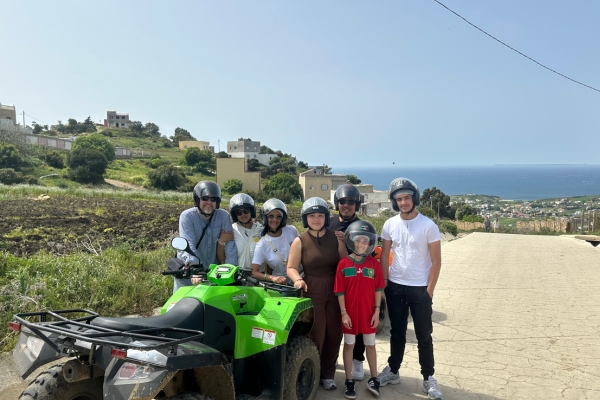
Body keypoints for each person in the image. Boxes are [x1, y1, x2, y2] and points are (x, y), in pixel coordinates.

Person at [377, 178, 443, 400]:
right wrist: (385, 281)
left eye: (407, 198)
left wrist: (429, 291)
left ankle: (428, 377)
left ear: (414, 198)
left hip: (420, 288)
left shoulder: (428, 226)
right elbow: (385, 255)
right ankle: (393, 370)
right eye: (399, 199)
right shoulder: (389, 224)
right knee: (397, 333)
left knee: (424, 335)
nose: (403, 202)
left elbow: (436, 262)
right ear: (394, 202)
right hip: (396, 286)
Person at [287, 197, 347, 391]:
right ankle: (312, 371)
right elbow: (291, 267)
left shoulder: (336, 238)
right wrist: (298, 279)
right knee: (317, 333)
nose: (316, 219)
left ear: (326, 217)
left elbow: (345, 263)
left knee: (335, 333)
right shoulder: (300, 241)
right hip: (312, 288)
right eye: (312, 215)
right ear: (305, 218)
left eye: (320, 215)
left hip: (336, 288)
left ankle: (328, 374)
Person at [334, 220, 385, 399]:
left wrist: (377, 311)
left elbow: (378, 289)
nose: (362, 244)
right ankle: (349, 380)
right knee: (349, 345)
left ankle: (374, 378)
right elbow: (340, 291)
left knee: (370, 345)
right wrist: (343, 313)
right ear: (351, 241)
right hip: (349, 314)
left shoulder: (373, 264)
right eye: (358, 240)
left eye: (365, 241)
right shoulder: (343, 264)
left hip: (369, 314)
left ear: (370, 243)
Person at [329, 184, 368, 381]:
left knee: (356, 321)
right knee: (334, 321)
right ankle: (333, 356)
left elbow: (368, 252)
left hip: (355, 279)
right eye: (342, 201)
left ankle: (357, 359)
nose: (346, 205)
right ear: (337, 203)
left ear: (356, 205)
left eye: (351, 202)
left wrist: (347, 242)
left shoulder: (362, 226)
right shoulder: (328, 222)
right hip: (332, 277)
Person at [175, 181, 238, 292]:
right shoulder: (187, 216)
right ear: (197, 200)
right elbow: (188, 243)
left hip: (214, 276)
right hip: (190, 276)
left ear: (217, 201)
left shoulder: (223, 216)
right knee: (184, 302)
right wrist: (195, 269)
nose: (209, 202)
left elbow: (230, 245)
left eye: (213, 199)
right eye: (205, 198)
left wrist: (231, 270)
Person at [250, 199, 299, 284]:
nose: (275, 219)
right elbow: (254, 272)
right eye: (271, 216)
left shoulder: (291, 231)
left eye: (278, 217)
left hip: (299, 277)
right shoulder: (262, 244)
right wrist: (272, 278)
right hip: (282, 283)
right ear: (265, 218)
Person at [217, 193, 263, 271]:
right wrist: (220, 242)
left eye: (246, 211)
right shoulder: (231, 230)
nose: (243, 214)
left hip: (258, 275)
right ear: (235, 215)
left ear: (252, 211)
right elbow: (222, 259)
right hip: (238, 275)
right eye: (238, 213)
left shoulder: (261, 230)